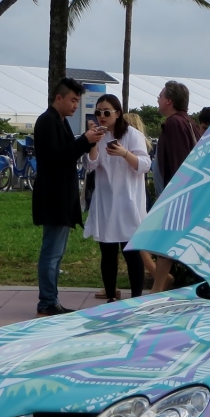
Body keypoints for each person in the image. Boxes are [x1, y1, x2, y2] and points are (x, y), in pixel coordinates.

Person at [33, 78, 103, 315]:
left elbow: (65, 153)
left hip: (61, 196)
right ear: (59, 98)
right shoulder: (47, 122)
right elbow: (55, 157)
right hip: (53, 196)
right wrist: (85, 141)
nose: (76, 105)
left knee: (56, 251)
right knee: (51, 251)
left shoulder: (59, 122)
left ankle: (51, 299)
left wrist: (84, 140)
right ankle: (47, 301)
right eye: (73, 100)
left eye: (78, 101)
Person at [83, 94, 150, 303]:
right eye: (98, 112)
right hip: (105, 201)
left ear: (117, 113)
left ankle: (136, 298)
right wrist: (93, 142)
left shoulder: (132, 135)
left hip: (128, 201)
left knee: (131, 252)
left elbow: (144, 164)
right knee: (108, 251)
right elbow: (90, 165)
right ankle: (111, 296)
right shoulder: (97, 136)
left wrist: (124, 153)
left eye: (106, 112)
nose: (101, 116)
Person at [151, 81, 198, 292]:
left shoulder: (175, 124)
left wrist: (174, 196)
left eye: (160, 96)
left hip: (176, 196)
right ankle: (159, 285)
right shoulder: (188, 122)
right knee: (165, 243)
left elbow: (179, 163)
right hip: (181, 195)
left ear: (169, 101)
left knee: (165, 242)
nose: (158, 100)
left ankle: (158, 288)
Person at [123, 111, 157, 286]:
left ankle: (159, 274)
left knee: (132, 241)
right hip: (142, 194)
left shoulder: (129, 146)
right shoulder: (143, 145)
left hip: (133, 196)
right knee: (134, 240)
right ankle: (158, 274)